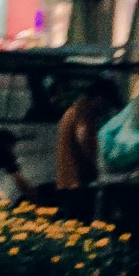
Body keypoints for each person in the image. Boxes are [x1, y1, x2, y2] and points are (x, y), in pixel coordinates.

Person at [52, 84, 107, 212]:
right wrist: (96, 163)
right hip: (76, 181)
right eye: (104, 102)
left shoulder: (74, 110)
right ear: (97, 98)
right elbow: (83, 138)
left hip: (69, 180)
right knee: (78, 220)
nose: (104, 107)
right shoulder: (82, 112)